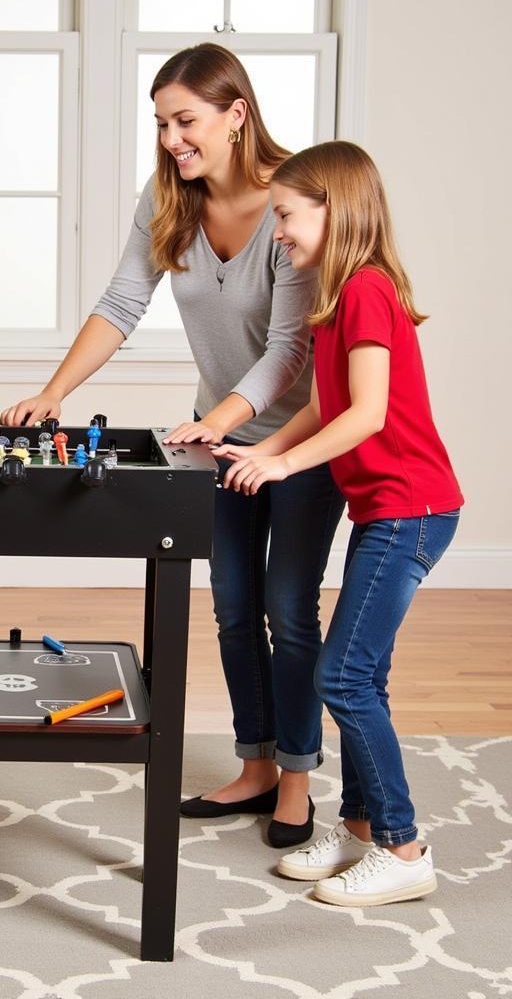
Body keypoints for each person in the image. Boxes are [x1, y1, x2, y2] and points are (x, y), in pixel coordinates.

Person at [2, 43, 344, 846]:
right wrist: (55, 393)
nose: (170, 139)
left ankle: (297, 778)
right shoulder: (166, 198)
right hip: (218, 440)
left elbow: (291, 348)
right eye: (160, 123)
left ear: (237, 114)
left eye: (184, 120)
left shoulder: (293, 197)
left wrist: (226, 422)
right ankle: (256, 765)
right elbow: (121, 302)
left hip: (297, 441)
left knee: (289, 611)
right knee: (231, 609)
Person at [216, 141, 463, 904]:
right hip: (388, 508)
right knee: (366, 673)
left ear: (336, 207)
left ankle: (404, 845)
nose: (279, 232)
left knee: (344, 676)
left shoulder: (365, 290)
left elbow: (369, 413)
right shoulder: (339, 290)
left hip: (413, 510)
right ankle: (357, 827)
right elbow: (326, 403)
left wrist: (286, 469)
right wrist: (261, 447)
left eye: (288, 215)